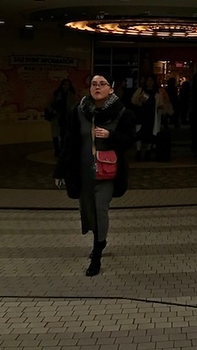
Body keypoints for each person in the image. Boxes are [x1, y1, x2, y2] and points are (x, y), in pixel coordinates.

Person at [53, 74, 136, 276]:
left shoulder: (122, 113)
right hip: (83, 173)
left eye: (102, 84)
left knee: (100, 209)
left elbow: (130, 140)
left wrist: (110, 135)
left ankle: (96, 255)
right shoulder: (79, 111)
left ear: (111, 89)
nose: (97, 87)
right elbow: (69, 142)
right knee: (88, 210)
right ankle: (101, 239)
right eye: (94, 84)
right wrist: (60, 170)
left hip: (108, 173)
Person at [131, 74, 172, 160]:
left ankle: (148, 151)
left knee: (151, 134)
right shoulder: (141, 90)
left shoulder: (158, 92)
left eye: (151, 81)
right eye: (148, 81)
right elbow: (133, 100)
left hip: (152, 116)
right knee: (139, 134)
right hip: (141, 115)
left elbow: (163, 103)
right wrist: (139, 99)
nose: (149, 83)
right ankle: (138, 151)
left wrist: (161, 107)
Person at [46, 79, 76, 157]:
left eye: (67, 85)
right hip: (57, 118)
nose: (65, 86)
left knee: (64, 135)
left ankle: (63, 151)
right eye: (64, 84)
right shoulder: (57, 94)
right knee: (55, 135)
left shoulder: (71, 95)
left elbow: (73, 107)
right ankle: (57, 150)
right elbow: (49, 104)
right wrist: (53, 111)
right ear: (61, 85)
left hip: (66, 118)